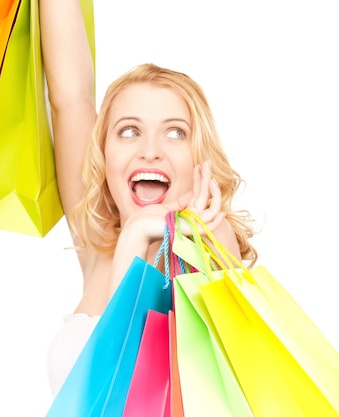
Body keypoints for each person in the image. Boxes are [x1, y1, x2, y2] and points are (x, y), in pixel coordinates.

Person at [39, 0, 258, 396]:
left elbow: (129, 382)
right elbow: (70, 98)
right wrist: (132, 233)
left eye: (175, 132)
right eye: (128, 131)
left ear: (199, 159)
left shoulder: (213, 253)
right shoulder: (98, 243)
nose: (150, 150)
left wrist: (138, 235)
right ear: (103, 156)